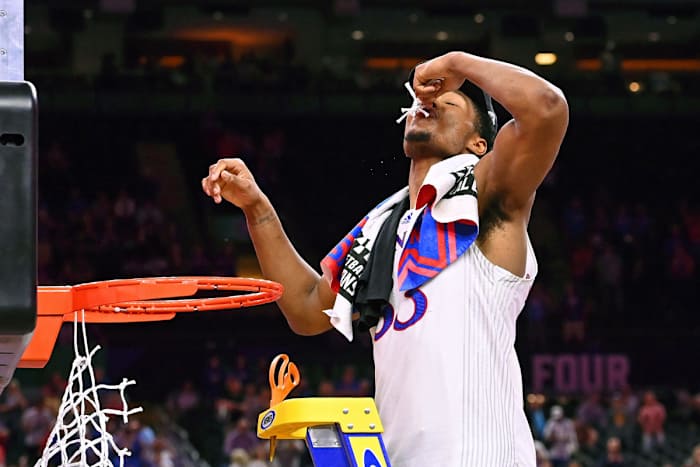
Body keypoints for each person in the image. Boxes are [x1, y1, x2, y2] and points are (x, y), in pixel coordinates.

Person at [202, 50, 568, 466]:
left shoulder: (486, 193)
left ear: (478, 143)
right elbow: (306, 307)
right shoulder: (382, 228)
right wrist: (258, 211)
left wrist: (456, 64)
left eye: (446, 101)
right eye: (423, 100)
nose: (427, 101)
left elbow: (547, 108)